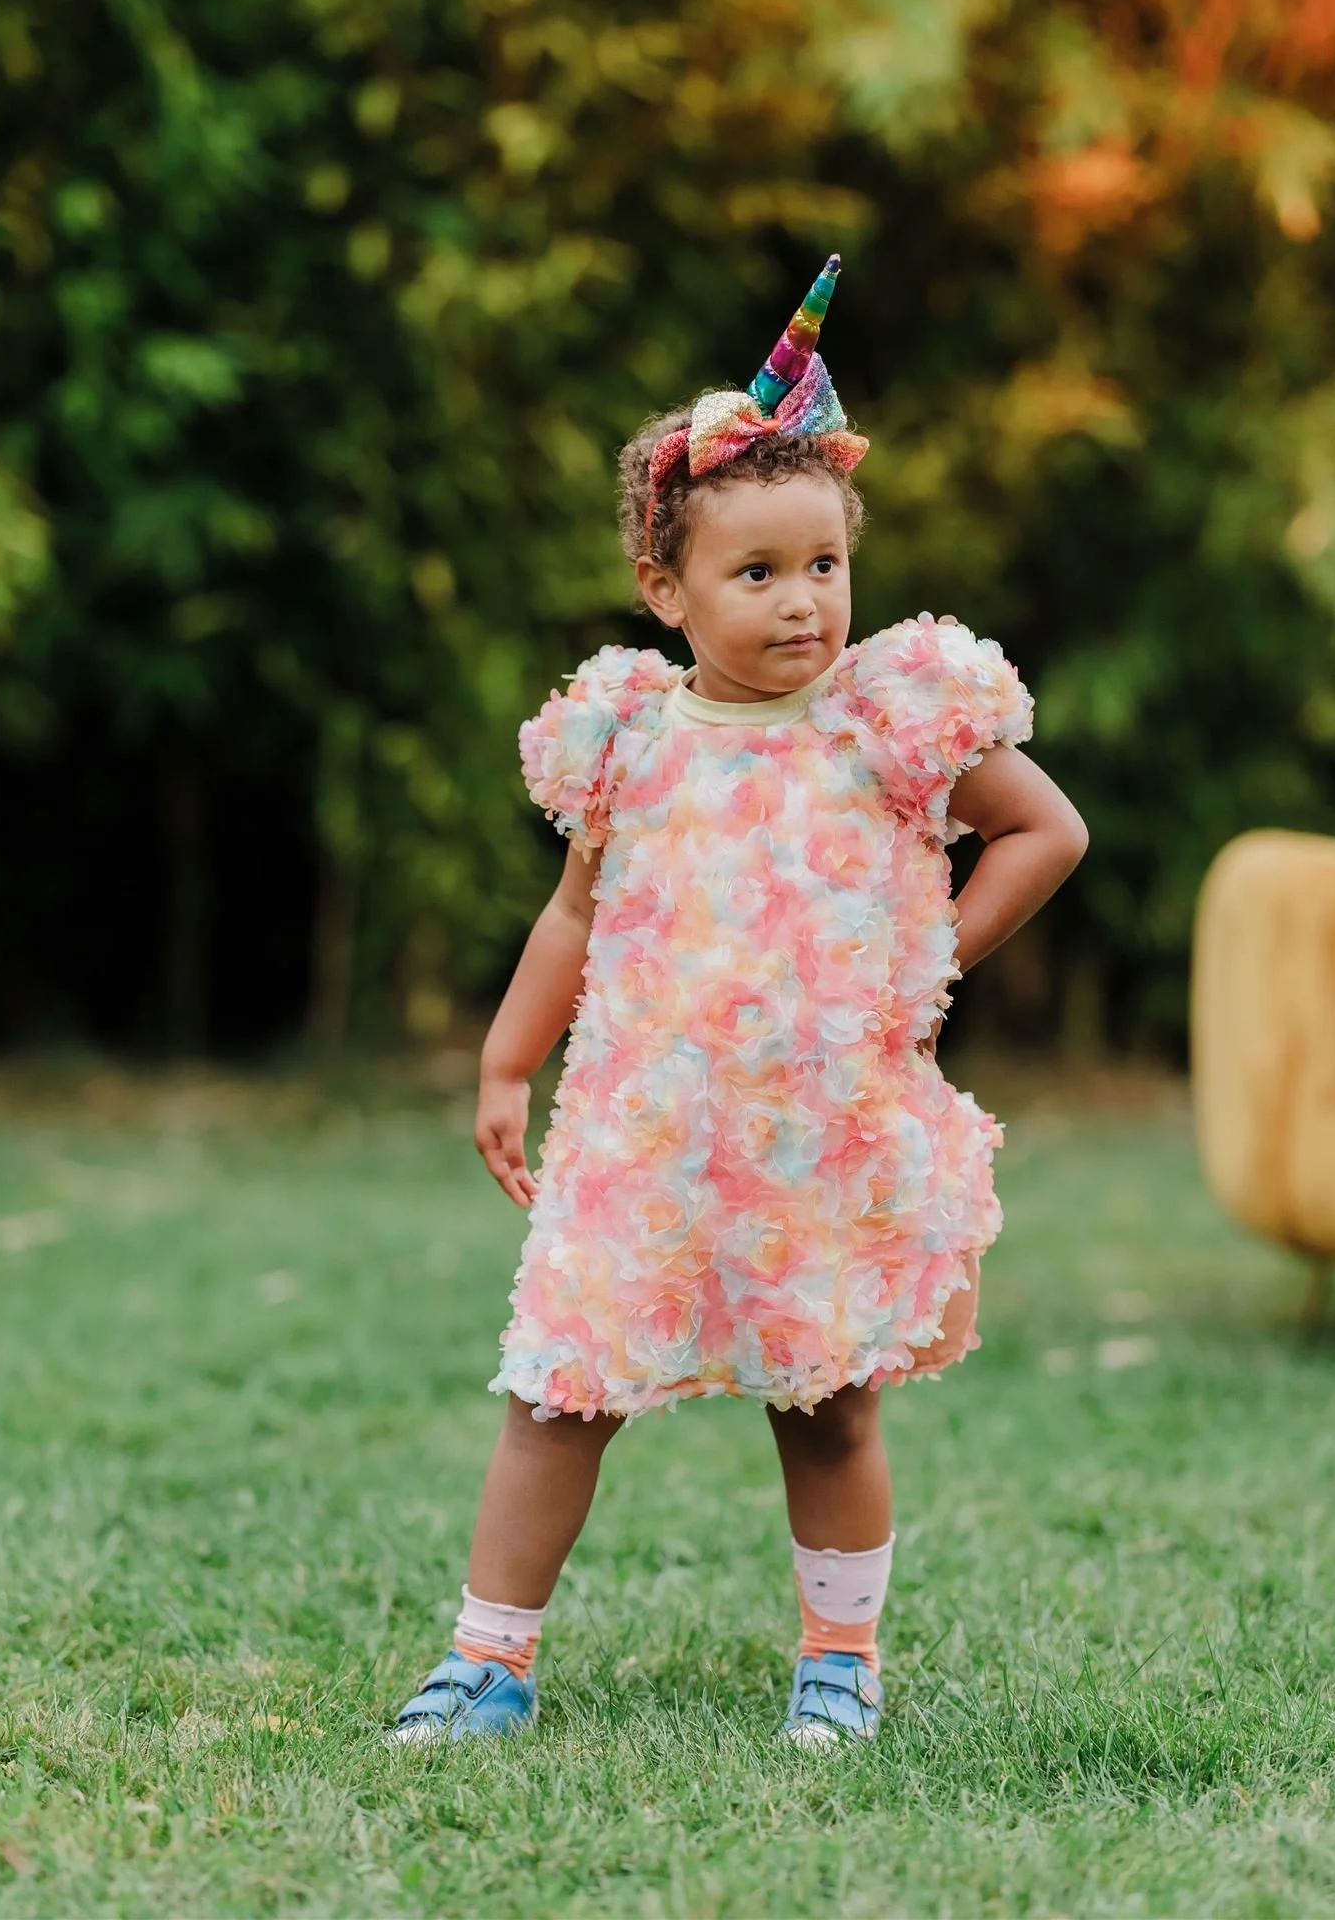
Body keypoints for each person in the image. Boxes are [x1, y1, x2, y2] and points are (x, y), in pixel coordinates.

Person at [390, 257, 1087, 1749]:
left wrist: (928, 959)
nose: (800, 602)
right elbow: (573, 914)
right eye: (755, 573)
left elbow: (1047, 832)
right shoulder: (630, 738)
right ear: (667, 588)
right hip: (646, 1131)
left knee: (826, 1402)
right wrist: (509, 1060)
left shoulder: (888, 718)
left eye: (821, 566)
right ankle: (486, 1661)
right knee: (558, 1390)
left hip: (815, 1136)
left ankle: (839, 1662)